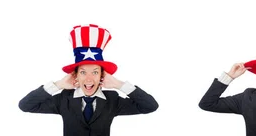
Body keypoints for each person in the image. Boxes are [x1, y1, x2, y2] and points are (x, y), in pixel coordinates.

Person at [19, 24, 159, 136]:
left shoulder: (112, 100)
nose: (89, 78)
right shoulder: (64, 99)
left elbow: (150, 106)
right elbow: (25, 105)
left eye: (95, 72)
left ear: (102, 76)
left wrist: (118, 84)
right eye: (83, 72)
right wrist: (59, 85)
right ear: (76, 75)